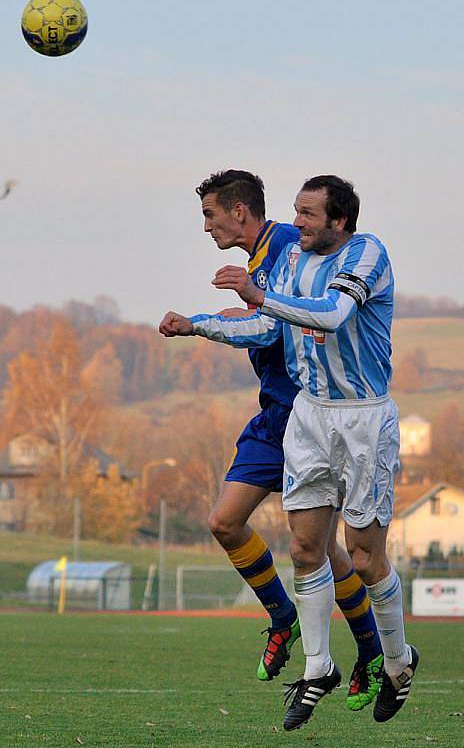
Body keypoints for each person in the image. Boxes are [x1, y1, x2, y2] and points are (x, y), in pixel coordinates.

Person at [159, 174, 418, 730]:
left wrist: (257, 295)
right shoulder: (292, 261)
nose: (295, 222)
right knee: (305, 549)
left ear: (339, 221)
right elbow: (264, 324)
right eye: (295, 211)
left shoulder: (367, 253)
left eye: (306, 214)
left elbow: (330, 314)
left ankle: (396, 660)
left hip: (363, 418)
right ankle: (318, 666)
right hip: (308, 415)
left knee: (365, 558)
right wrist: (198, 327)